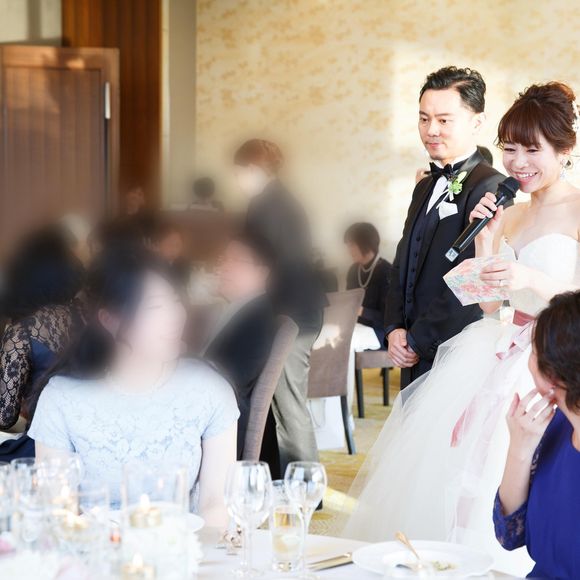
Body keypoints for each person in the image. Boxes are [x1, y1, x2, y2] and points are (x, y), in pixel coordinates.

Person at [343, 82, 579, 576]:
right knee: (450, 479)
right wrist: (486, 242)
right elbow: (490, 303)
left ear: (565, 149)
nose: (518, 163)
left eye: (532, 150)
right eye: (510, 149)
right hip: (495, 348)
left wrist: (530, 278)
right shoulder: (511, 213)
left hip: (555, 358)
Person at [27, 249, 238, 526]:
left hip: (181, 547)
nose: (175, 316)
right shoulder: (62, 397)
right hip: (93, 548)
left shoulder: (208, 389)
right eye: (154, 307)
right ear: (109, 319)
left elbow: (216, 504)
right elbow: (57, 512)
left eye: (175, 300)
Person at [385, 66, 505, 389]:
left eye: (444, 120)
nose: (431, 130)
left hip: (455, 349)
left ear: (477, 122)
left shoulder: (491, 186)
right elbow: (402, 259)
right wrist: (394, 328)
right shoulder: (425, 185)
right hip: (411, 347)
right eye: (424, 119)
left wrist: (417, 339)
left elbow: (471, 278)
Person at [234, 138, 327, 473]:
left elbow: (270, 263)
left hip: (292, 313)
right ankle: (278, 479)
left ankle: (305, 486)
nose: (237, 180)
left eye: (239, 172)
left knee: (288, 405)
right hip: (292, 308)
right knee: (274, 402)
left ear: (252, 169)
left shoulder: (269, 205)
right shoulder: (277, 199)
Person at [494, 291, 580, 578]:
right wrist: (519, 449)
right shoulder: (557, 425)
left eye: (533, 350)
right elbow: (509, 535)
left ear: (551, 376)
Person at [0, 226, 84, 460]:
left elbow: (4, 416)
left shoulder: (21, 333)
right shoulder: (85, 314)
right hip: (87, 438)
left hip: (45, 445)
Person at [204, 233, 278, 474]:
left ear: (263, 272)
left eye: (234, 260)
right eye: (222, 259)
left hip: (219, 431)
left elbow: (231, 381)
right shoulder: (241, 310)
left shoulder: (260, 318)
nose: (223, 267)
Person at [344, 222, 392, 345]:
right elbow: (349, 304)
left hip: (380, 333)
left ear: (365, 244)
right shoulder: (353, 270)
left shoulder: (386, 272)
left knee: (347, 342)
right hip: (357, 328)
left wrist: (361, 311)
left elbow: (389, 318)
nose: (348, 251)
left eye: (351, 245)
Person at [151, 219, 191, 289]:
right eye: (169, 244)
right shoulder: (152, 265)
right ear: (158, 245)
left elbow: (185, 284)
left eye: (177, 245)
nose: (174, 249)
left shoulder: (184, 264)